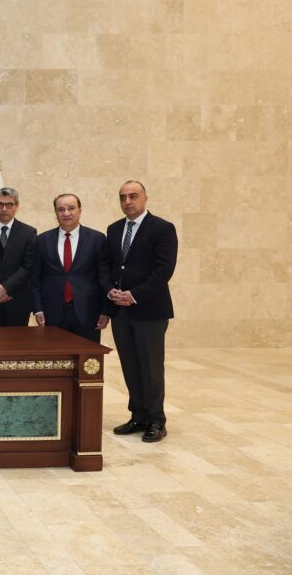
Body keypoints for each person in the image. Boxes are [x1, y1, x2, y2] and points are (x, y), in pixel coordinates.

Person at [106, 181, 178, 444]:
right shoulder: (114, 229)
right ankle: (138, 415)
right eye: (123, 197)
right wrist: (111, 291)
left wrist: (134, 295)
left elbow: (164, 270)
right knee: (130, 366)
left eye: (133, 196)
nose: (127, 201)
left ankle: (157, 420)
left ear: (145, 198)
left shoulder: (162, 228)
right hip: (120, 312)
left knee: (150, 367)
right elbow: (111, 267)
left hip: (150, 311)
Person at [30, 193, 110, 342]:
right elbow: (35, 278)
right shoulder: (42, 240)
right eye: (61, 209)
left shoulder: (97, 239)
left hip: (88, 312)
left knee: (87, 355)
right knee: (55, 355)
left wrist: (105, 311)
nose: (66, 213)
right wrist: (38, 309)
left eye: (71, 208)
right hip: (52, 312)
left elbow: (104, 277)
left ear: (80, 210)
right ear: (55, 213)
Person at [0, 187, 37, 327]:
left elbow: (28, 267)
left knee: (18, 340)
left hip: (18, 299)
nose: (4, 209)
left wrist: (5, 288)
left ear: (16, 206)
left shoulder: (29, 233)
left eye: (9, 204)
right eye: (0, 204)